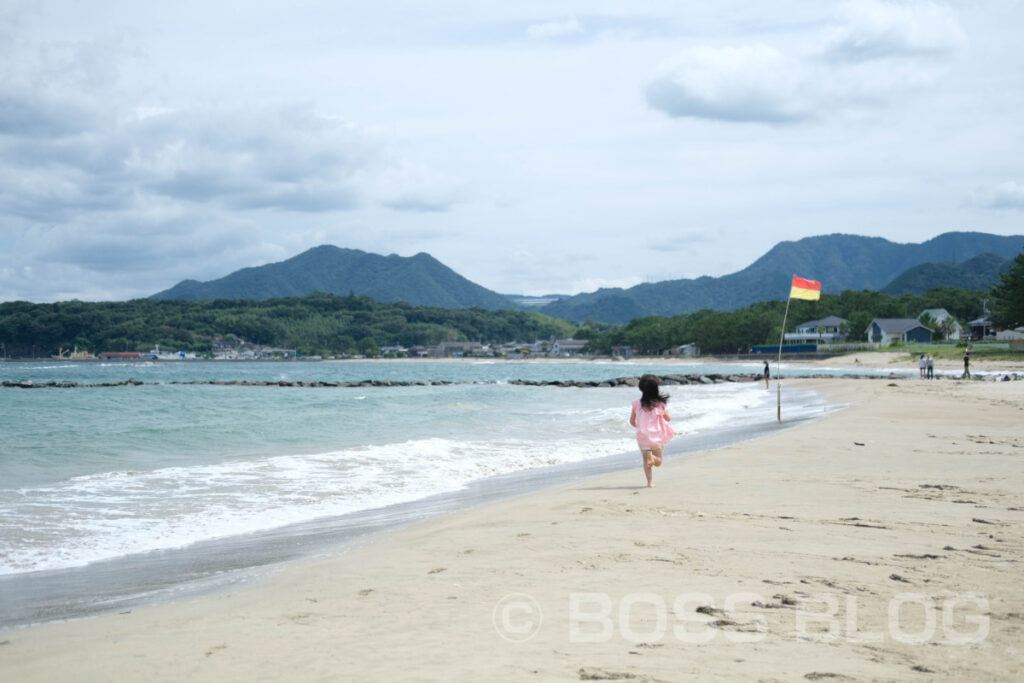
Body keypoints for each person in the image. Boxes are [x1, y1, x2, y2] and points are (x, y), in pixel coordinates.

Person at [629, 374, 675, 488]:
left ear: (640, 389)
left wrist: (638, 425)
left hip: (643, 436)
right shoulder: (660, 404)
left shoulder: (636, 403)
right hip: (657, 436)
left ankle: (649, 482)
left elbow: (632, 421)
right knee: (658, 461)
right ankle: (652, 457)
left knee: (646, 462)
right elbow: (668, 418)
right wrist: (666, 411)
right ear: (656, 388)